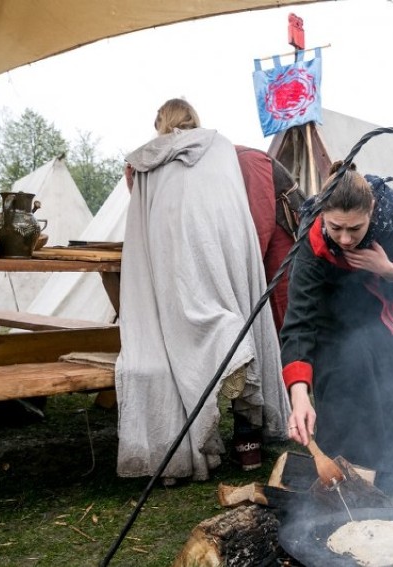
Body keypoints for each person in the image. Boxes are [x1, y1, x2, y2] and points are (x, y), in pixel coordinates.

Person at [116, 98, 290, 483]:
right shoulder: (220, 147)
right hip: (223, 253)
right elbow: (232, 209)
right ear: (195, 119)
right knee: (240, 323)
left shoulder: (145, 162)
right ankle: (249, 450)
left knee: (177, 343)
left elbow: (145, 220)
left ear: (159, 122)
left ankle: (186, 447)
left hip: (173, 264)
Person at [280, 161, 393, 493]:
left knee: (389, 397)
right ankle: (347, 485)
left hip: (377, 320)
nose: (344, 238)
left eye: (355, 229)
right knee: (344, 397)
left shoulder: (387, 222)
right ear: (323, 216)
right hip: (331, 327)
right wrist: (299, 396)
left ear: (370, 212)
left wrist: (386, 268)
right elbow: (299, 322)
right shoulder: (310, 249)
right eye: (335, 227)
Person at [234, 145, 306, 333]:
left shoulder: (247, 160)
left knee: (288, 319)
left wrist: (241, 272)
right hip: (268, 255)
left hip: (281, 249)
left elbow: (261, 222)